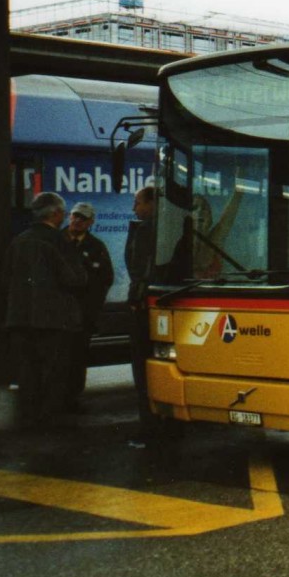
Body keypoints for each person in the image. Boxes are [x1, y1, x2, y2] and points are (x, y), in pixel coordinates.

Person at [2, 192, 86, 429]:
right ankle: (48, 422)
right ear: (55, 214)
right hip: (53, 321)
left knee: (27, 373)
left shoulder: (19, 240)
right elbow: (76, 279)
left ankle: (27, 420)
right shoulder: (59, 242)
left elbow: (5, 278)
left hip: (19, 319)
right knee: (54, 373)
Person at [61, 202, 114, 410]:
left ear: (91, 222)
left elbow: (106, 278)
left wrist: (92, 308)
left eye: (83, 218)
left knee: (77, 357)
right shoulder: (57, 241)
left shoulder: (96, 246)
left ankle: (73, 398)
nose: (77, 221)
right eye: (75, 216)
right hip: (58, 313)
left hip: (83, 315)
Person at [125, 185, 158, 437]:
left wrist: (136, 298)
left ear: (151, 203)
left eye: (138, 202)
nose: (135, 208)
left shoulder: (145, 230)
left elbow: (136, 268)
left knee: (142, 366)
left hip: (144, 306)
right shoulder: (177, 225)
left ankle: (148, 423)